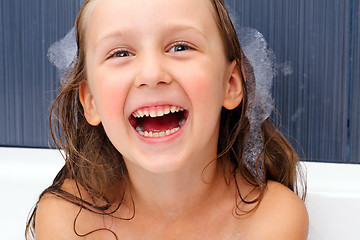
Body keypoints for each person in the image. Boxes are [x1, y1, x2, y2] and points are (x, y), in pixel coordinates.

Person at [26, 0, 309, 239]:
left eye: (180, 47)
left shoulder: (269, 218)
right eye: (121, 53)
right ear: (90, 102)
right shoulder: (69, 220)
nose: (151, 74)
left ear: (231, 84)